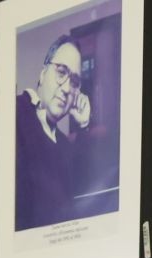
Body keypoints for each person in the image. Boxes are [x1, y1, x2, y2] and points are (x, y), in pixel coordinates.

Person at [16, 33, 96, 230]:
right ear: (43, 74)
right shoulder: (13, 113)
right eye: (61, 72)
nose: (67, 88)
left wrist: (84, 126)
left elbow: (81, 192)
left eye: (75, 82)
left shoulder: (63, 144)